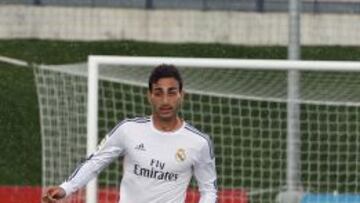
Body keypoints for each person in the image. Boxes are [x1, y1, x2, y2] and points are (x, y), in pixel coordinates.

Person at [42, 64, 217, 203]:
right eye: (158, 93)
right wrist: (66, 188)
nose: (165, 101)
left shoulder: (199, 142)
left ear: (181, 95)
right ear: (149, 96)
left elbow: (209, 190)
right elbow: (95, 162)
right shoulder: (128, 129)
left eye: (171, 93)